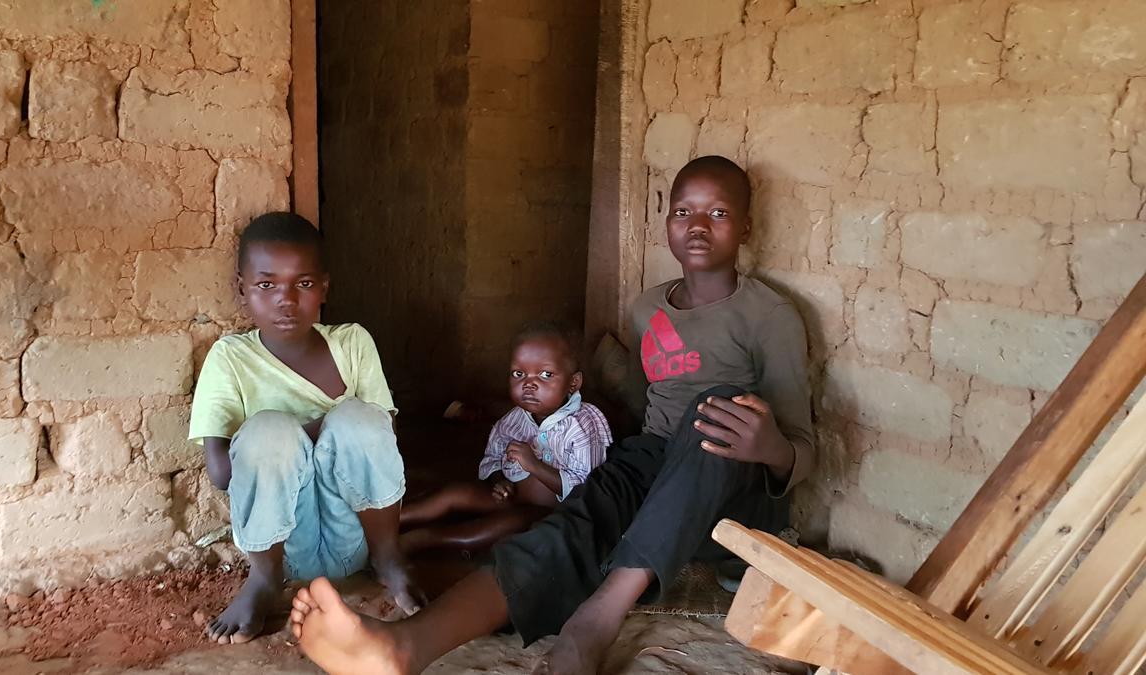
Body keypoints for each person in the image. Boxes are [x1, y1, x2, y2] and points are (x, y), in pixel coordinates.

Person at [288, 155, 815, 675]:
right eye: (684, 212)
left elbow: (801, 448)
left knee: (714, 407)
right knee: (565, 529)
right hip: (655, 465)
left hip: (729, 495)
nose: (698, 226)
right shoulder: (647, 308)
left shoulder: (769, 317)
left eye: (718, 214)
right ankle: (403, 648)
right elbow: (641, 405)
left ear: (746, 227)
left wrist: (770, 448)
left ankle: (597, 620)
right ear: (666, 220)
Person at [188, 211, 421, 645]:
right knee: (269, 431)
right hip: (281, 548)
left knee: (358, 418)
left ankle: (390, 559)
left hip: (356, 539)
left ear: (324, 289)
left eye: (304, 284)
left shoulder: (353, 343)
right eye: (266, 285)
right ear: (242, 289)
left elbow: (380, 438)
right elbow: (221, 473)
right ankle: (262, 583)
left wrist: (319, 434)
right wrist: (301, 437)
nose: (286, 299)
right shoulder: (230, 358)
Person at [399, 322, 612, 554]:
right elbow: (492, 458)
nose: (529, 384)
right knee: (454, 493)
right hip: (510, 497)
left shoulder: (581, 425)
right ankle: (393, 519)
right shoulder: (513, 420)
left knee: (509, 524)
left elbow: (584, 490)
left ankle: (423, 540)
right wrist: (498, 480)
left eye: (545, 374)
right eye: (519, 374)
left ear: (573, 382)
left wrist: (533, 465)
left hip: (548, 512)